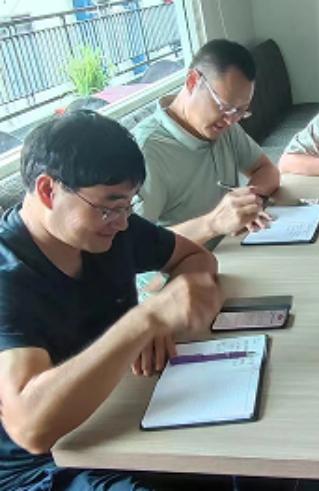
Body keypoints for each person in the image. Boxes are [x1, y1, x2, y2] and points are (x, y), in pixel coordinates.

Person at [0, 111, 226, 490]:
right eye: (109, 206)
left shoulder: (112, 230)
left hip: (123, 413)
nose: (121, 222)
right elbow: (30, 428)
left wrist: (161, 312)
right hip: (45, 466)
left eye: (128, 206)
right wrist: (143, 322)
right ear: (48, 190)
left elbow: (197, 258)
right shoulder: (10, 277)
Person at [133, 39, 280, 246]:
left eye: (241, 111)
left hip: (234, 247)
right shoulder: (146, 151)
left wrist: (247, 204)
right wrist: (213, 223)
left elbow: (267, 170)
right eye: (224, 107)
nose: (231, 120)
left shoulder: (225, 126)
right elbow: (135, 244)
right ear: (192, 81)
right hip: (185, 263)